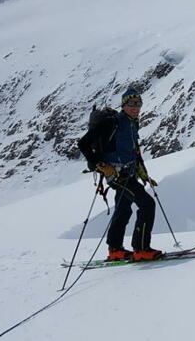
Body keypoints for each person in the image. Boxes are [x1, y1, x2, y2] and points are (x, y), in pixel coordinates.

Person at [77, 88, 162, 261]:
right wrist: (101, 164)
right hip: (116, 175)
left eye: (138, 103)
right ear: (123, 105)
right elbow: (83, 144)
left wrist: (144, 176)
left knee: (123, 210)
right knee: (147, 205)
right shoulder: (112, 123)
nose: (135, 107)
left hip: (129, 173)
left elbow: (134, 153)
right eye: (131, 103)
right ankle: (141, 249)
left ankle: (115, 249)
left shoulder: (133, 123)